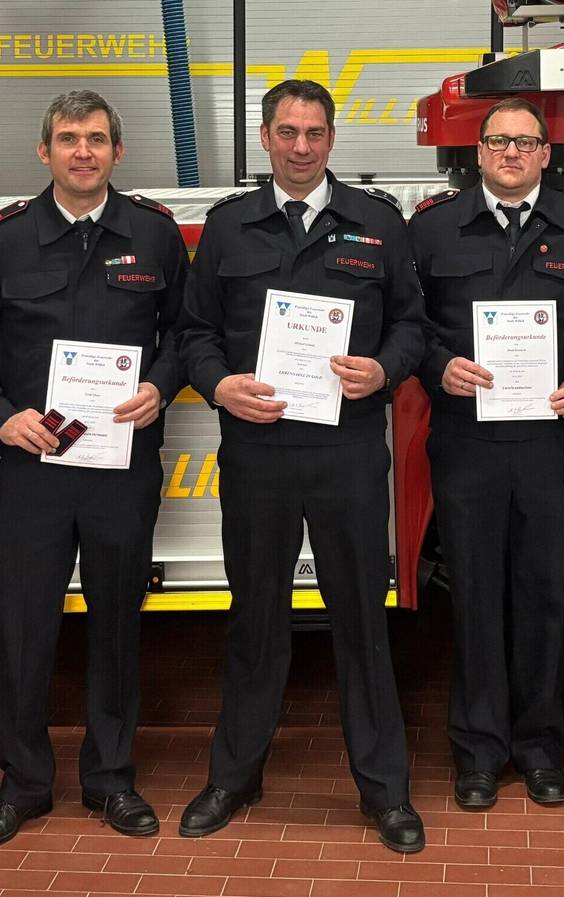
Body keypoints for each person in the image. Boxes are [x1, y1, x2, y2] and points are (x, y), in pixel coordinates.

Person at [173, 78, 429, 854]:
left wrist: (383, 369)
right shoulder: (229, 225)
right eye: (287, 131)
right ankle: (234, 775)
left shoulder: (377, 223)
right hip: (258, 452)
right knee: (254, 617)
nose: (301, 145)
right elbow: (194, 331)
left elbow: (413, 324)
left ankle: (384, 789)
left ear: (332, 139)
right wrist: (219, 384)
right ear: (265, 137)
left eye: (315, 132)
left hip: (348, 452)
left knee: (362, 620)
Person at [0, 91, 189, 846]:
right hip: (34, 469)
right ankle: (23, 783)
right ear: (43, 151)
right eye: (70, 139)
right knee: (22, 627)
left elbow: (186, 331)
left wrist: (161, 384)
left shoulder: (154, 233)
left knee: (117, 624)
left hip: (121, 468)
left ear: (118, 151)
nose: (84, 152)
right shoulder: (3, 241)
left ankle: (111, 779)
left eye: (98, 139)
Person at [407, 97, 564, 810]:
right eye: (498, 141)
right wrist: (439, 366)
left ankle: (540, 748)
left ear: (547, 153)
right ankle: (478, 751)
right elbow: (407, 322)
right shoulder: (433, 227)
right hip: (467, 441)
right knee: (474, 595)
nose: (512, 154)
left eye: (526, 142)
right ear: (479, 152)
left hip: (552, 443)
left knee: (545, 593)